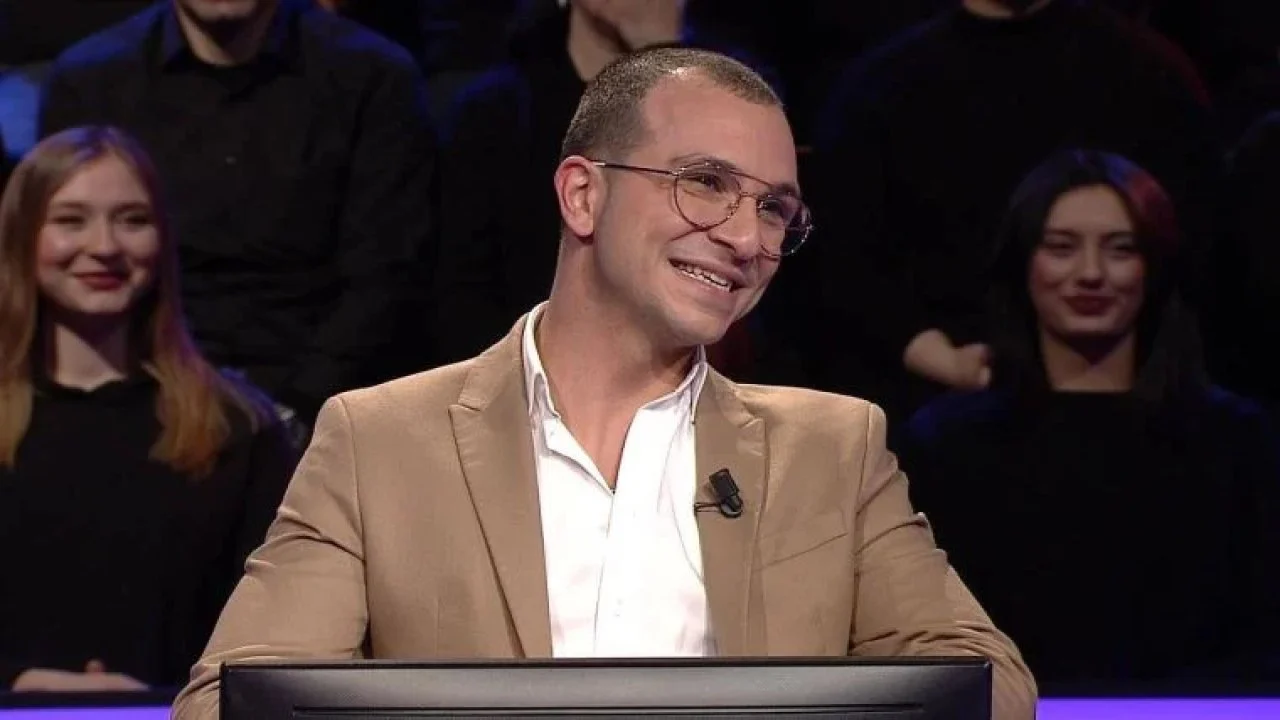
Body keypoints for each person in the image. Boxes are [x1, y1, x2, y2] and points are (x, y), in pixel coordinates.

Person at [171, 47, 1036, 720]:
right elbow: (227, 700)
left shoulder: (832, 449)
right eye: (707, 184)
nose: (747, 239)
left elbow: (989, 679)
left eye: (775, 208)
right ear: (583, 196)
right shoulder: (381, 441)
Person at [901, 150, 1280, 690]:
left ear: (1154, 268)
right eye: (1061, 248)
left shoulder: (1238, 443)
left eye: (1121, 249)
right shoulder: (945, 444)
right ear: (1024, 263)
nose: (1091, 274)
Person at [803, 0, 1217, 442]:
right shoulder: (880, 87)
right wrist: (940, 358)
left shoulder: (1148, 74)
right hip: (941, 409)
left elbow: (1200, 243)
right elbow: (844, 262)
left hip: (1140, 410)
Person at [38, 0, 436, 429]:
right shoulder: (91, 78)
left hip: (326, 395)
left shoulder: (372, 74)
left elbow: (384, 272)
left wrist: (299, 407)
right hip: (147, 386)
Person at [0, 127, 298, 692]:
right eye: (70, 220)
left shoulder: (237, 431)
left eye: (133, 220)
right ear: (21, 236)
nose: (105, 246)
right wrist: (21, 683)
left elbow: (278, 635)